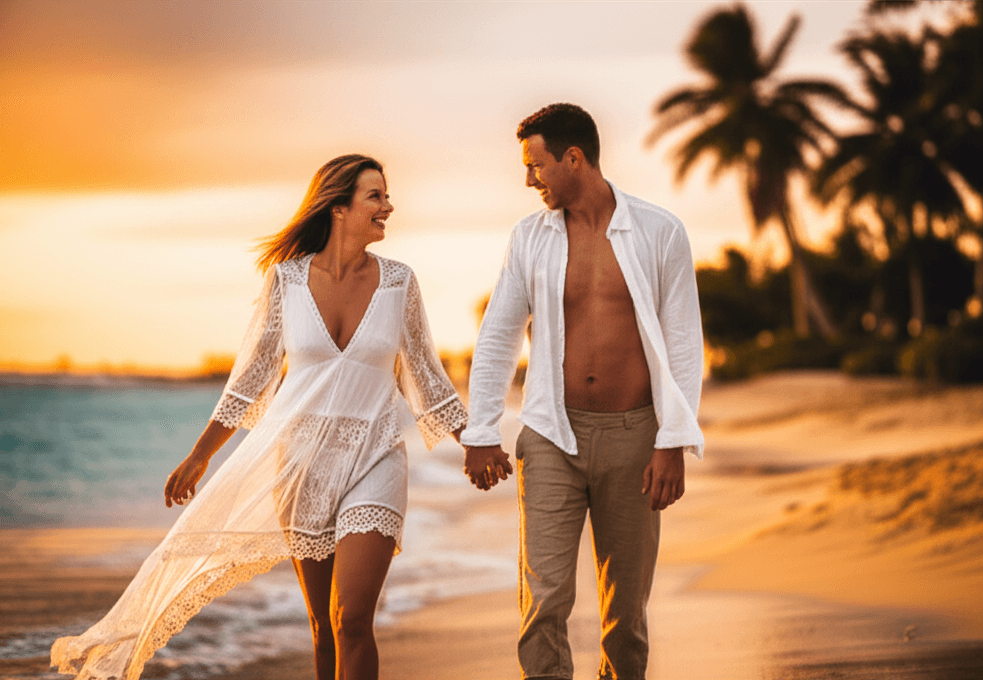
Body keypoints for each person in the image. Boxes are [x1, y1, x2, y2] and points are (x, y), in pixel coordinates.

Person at [51, 155, 467, 680]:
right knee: (322, 626)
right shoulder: (286, 280)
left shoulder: (399, 282)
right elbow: (250, 380)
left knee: (352, 620)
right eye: (376, 196)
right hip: (300, 464)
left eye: (386, 195)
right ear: (338, 207)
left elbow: (426, 375)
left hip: (375, 457)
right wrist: (199, 456)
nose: (389, 205)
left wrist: (473, 440)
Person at [461, 103, 704, 679]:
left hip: (636, 438)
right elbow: (497, 336)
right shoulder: (529, 238)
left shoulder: (658, 231)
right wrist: (480, 430)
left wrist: (673, 439)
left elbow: (684, 342)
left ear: (574, 158)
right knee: (543, 602)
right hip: (551, 435)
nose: (528, 180)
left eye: (536, 165)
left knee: (626, 614)